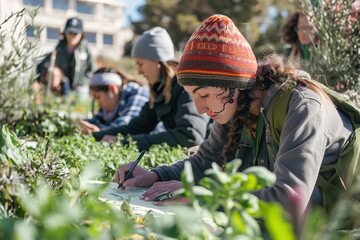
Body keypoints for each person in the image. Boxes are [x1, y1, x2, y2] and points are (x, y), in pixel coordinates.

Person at [114, 15, 356, 219]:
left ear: (233, 85)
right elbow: (204, 162)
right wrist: (155, 175)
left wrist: (205, 196)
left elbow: (290, 200)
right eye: (192, 96)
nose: (199, 108)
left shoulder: (302, 107)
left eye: (204, 94)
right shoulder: (234, 107)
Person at [92, 27, 211, 151]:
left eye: (140, 64)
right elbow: (137, 127)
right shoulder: (160, 90)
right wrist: (97, 136)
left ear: (156, 60)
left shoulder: (187, 87)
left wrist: (122, 142)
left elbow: (189, 137)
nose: (139, 71)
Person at [78, 67, 150, 134]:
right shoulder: (109, 107)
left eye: (98, 97)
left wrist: (100, 133)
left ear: (112, 89)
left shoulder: (138, 92)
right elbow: (96, 121)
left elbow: (127, 126)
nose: (98, 104)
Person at [36, 17, 93, 95]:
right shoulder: (59, 47)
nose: (72, 36)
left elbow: (91, 70)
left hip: (78, 87)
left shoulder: (86, 49)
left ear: (81, 34)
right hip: (62, 85)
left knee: (82, 97)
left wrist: (81, 83)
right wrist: (53, 73)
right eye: (70, 32)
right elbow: (44, 65)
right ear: (65, 32)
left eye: (75, 33)